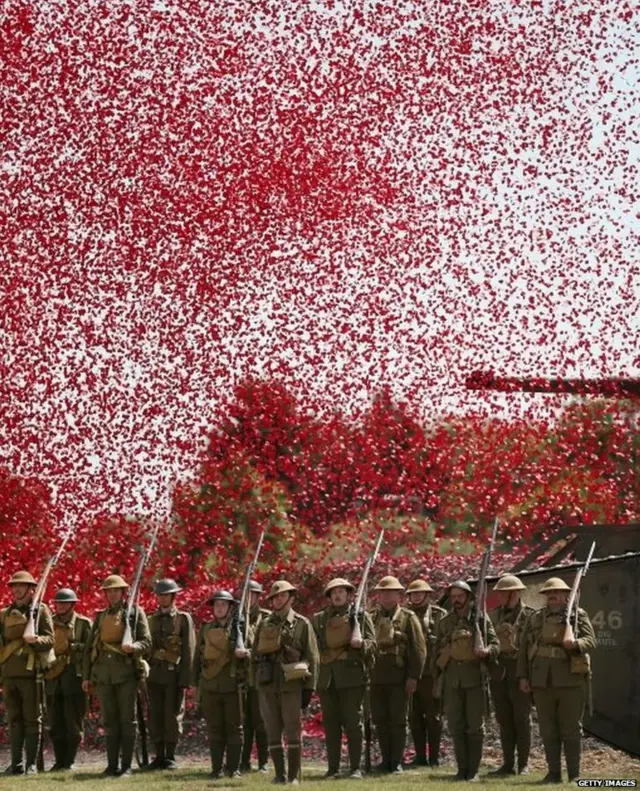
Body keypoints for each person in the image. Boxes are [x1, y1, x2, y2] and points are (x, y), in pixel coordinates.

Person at [517, 577, 597, 783]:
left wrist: (574, 643)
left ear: (565, 595)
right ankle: (553, 773)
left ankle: (574, 775)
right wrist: (524, 676)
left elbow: (591, 641)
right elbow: (524, 649)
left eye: (557, 592)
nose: (552, 595)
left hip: (570, 680)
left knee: (570, 729)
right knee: (548, 729)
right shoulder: (535, 618)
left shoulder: (578, 615)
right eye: (548, 593)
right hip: (542, 681)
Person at [82, 574, 152, 777]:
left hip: (125, 674)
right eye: (109, 591)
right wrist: (87, 676)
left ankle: (127, 766)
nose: (112, 594)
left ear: (123, 592)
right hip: (104, 676)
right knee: (110, 721)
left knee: (128, 721)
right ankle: (112, 765)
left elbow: (147, 642)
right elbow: (89, 649)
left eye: (116, 590)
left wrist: (134, 647)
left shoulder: (135, 613)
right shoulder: (101, 616)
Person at [251, 580, 319, 785]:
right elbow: (255, 655)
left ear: (291, 598)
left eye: (282, 596)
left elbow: (313, 658)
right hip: (267, 683)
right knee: (272, 730)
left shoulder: (301, 624)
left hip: (292, 685)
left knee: (292, 730)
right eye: (274, 597)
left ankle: (293, 777)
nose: (278, 600)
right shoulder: (264, 623)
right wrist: (257, 683)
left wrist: (309, 688)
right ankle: (279, 775)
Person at [432, 580, 499, 782]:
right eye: (453, 597)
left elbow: (495, 644)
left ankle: (474, 771)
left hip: (475, 680)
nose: (456, 600)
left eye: (460, 596)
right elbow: (435, 654)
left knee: (475, 728)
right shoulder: (445, 622)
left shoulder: (480, 619)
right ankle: (461, 770)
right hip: (452, 681)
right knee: (456, 726)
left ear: (469, 597)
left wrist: (487, 651)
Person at [312, 577, 376, 779]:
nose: (338, 595)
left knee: (353, 724)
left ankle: (355, 768)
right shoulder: (319, 619)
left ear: (349, 595)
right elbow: (312, 648)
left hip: (352, 677)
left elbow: (373, 644)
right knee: (331, 725)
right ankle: (333, 768)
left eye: (342, 591)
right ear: (329, 597)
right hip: (327, 678)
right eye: (334, 592)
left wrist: (360, 644)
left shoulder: (360, 616)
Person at [369, 576, 426, 775]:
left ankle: (396, 761)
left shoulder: (408, 618)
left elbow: (418, 649)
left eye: (390, 592)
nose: (386, 595)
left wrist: (413, 676)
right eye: (383, 592)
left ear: (398, 595)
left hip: (399, 677)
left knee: (398, 720)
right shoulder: (371, 617)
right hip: (376, 677)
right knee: (380, 719)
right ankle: (385, 760)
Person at [0, 570, 54, 775]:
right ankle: (16, 764)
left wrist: (35, 640)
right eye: (14, 586)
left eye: (21, 586)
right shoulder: (4, 614)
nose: (17, 589)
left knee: (32, 719)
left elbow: (50, 640)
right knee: (13, 720)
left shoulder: (41, 611)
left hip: (31, 675)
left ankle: (31, 764)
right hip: (9, 674)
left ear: (32, 589)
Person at [194, 590, 247, 779]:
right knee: (214, 728)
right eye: (216, 605)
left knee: (234, 729)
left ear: (230, 608)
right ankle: (216, 769)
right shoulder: (206, 629)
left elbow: (250, 655)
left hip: (232, 686)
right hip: (210, 685)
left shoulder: (240, 628)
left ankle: (233, 769)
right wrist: (195, 686)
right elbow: (197, 658)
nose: (219, 608)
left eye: (223, 604)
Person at [487, 574, 535, 776]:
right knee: (504, 719)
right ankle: (508, 764)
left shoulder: (530, 616)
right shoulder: (494, 615)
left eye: (503, 593)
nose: (498, 597)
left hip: (519, 669)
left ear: (514, 594)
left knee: (522, 719)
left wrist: (527, 675)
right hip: (499, 671)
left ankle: (523, 764)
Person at [146, 578, 195, 770]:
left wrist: (185, 679)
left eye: (165, 595)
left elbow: (189, 650)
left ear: (173, 596)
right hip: (154, 675)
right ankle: (158, 755)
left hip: (174, 675)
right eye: (159, 595)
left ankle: (170, 755)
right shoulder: (151, 619)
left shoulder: (183, 619)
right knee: (156, 716)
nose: (162, 598)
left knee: (173, 716)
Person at [44, 588, 92, 771]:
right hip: (53, 677)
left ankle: (69, 761)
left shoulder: (83, 624)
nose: (60, 606)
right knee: (55, 722)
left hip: (74, 675)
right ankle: (59, 761)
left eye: (64, 603)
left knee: (73, 721)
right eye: (58, 603)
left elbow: (90, 652)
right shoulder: (49, 623)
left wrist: (73, 647)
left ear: (73, 604)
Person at [405, 578, 447, 767]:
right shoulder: (404, 615)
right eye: (413, 594)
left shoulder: (440, 615)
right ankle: (420, 756)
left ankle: (435, 757)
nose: (416, 596)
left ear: (427, 595)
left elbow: (447, 642)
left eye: (419, 593)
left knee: (434, 717)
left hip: (432, 673)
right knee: (414, 717)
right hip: (411, 673)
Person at [239, 580, 270, 774]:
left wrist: (251, 653)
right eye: (245, 594)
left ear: (258, 597)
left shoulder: (266, 618)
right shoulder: (236, 618)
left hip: (259, 676)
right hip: (240, 678)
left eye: (252, 594)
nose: (248, 598)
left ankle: (263, 762)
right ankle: (242, 761)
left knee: (261, 722)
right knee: (243, 723)